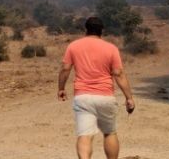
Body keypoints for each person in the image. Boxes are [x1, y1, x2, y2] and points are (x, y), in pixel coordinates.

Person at [58, 16, 135, 159]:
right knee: (109, 132)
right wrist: (129, 97)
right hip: (105, 97)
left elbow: (65, 69)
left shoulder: (73, 46)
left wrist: (61, 88)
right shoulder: (111, 48)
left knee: (84, 135)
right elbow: (118, 74)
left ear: (86, 29)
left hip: (83, 97)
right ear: (102, 30)